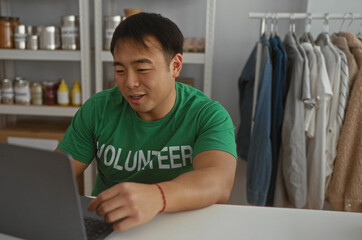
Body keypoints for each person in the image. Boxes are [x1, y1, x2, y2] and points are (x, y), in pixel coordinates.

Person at [56, 12, 237, 232]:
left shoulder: (207, 115)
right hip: (111, 226)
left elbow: (217, 182)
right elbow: (56, 173)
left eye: (142, 69)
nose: (130, 83)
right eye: (120, 71)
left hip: (181, 225)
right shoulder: (98, 109)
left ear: (175, 66)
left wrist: (157, 196)